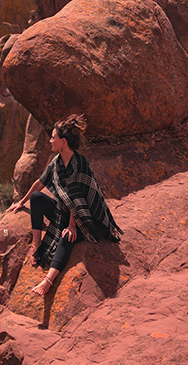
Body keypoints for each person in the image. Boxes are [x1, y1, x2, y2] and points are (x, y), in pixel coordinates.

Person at [10, 114, 122, 296]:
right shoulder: (56, 162)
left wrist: (71, 225)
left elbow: (78, 199)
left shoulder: (79, 164)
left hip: (86, 217)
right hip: (66, 210)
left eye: (53, 137)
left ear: (63, 141)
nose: (50, 140)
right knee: (37, 197)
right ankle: (36, 245)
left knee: (67, 237)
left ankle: (48, 281)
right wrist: (21, 202)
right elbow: (40, 183)